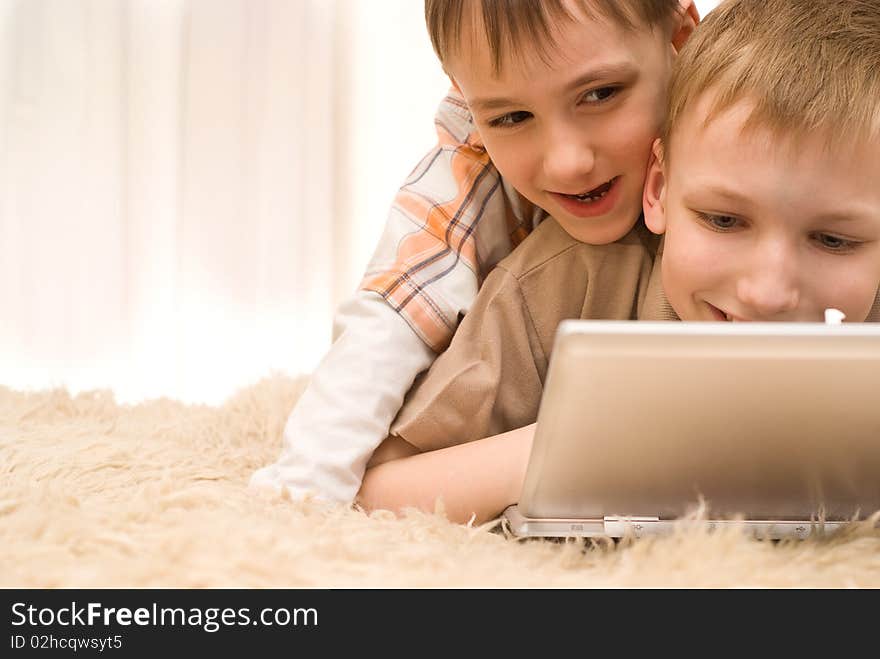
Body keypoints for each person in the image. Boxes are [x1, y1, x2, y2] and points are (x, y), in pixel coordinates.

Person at [356, 0, 880, 525]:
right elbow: (375, 490)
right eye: (722, 221)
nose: (767, 293)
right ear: (659, 186)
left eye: (834, 240)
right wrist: (578, 448)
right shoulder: (557, 284)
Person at [249, 0, 699, 504]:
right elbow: (391, 315)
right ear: (466, 99)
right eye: (511, 117)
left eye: (600, 94)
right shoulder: (470, 167)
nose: (569, 162)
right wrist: (306, 489)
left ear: (681, 39)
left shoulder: (750, 102)